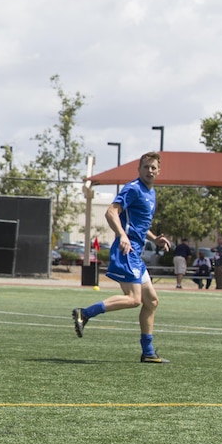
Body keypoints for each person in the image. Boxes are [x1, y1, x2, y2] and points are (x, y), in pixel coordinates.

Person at [72, 151, 173, 363]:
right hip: (126, 251)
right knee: (134, 299)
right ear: (139, 169)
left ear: (159, 170)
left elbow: (139, 226)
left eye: (153, 167)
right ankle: (85, 313)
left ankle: (148, 352)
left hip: (136, 253)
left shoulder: (151, 193)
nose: (150, 170)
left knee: (152, 301)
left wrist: (154, 239)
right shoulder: (133, 189)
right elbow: (111, 212)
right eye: (146, 167)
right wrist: (122, 235)